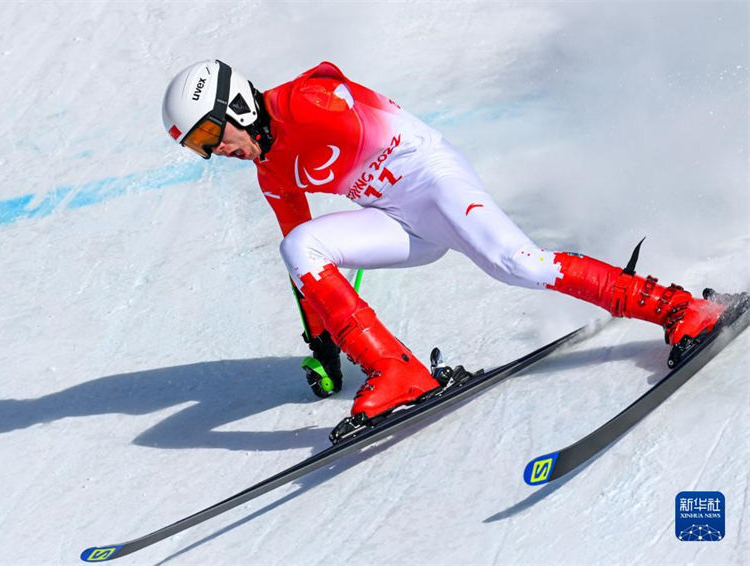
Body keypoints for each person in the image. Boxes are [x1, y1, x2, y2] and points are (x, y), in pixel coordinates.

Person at [161, 59, 726, 423]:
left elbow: (334, 88)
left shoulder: (303, 101)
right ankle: (397, 371)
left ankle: (682, 309)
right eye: (198, 148)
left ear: (237, 104)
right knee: (299, 247)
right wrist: (324, 344)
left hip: (434, 180)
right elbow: (305, 268)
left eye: (211, 134)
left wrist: (325, 94)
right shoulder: (272, 173)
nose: (214, 152)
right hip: (400, 219)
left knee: (518, 265)